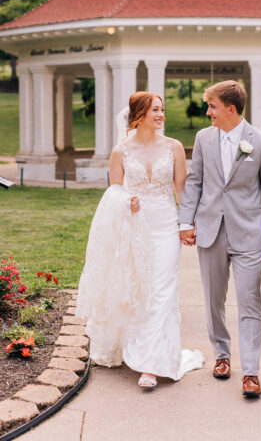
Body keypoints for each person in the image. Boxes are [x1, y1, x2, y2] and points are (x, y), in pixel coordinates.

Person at [76, 91, 204, 389]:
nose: (161, 115)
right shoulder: (120, 151)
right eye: (155, 110)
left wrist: (186, 224)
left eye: (162, 110)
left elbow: (182, 190)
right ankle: (139, 346)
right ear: (139, 114)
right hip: (135, 227)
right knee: (141, 289)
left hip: (166, 226)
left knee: (163, 290)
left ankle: (151, 364)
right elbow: (114, 192)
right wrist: (126, 203)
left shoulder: (174, 148)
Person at [178, 80, 261, 398]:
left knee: (249, 301)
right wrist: (185, 222)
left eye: (212, 106)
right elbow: (195, 182)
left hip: (248, 235)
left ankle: (252, 373)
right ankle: (222, 356)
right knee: (213, 300)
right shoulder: (203, 138)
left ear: (230, 109)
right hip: (210, 231)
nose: (207, 112)